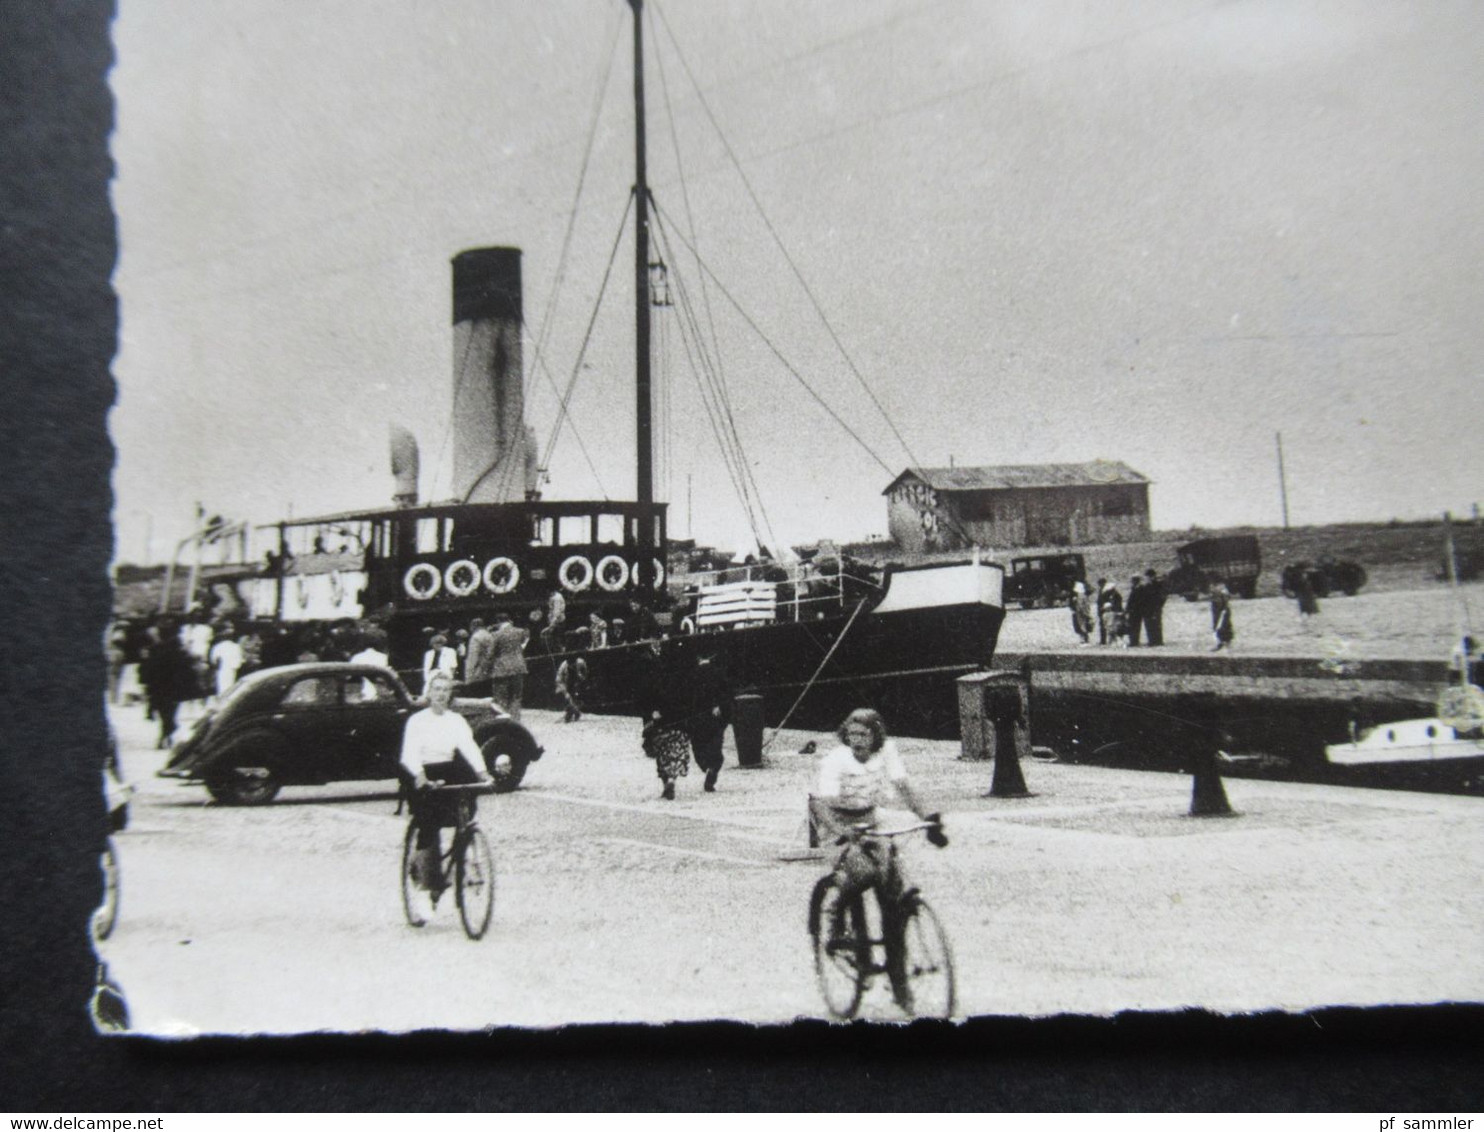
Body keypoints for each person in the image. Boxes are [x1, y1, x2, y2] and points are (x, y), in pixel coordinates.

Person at [809, 709, 943, 910]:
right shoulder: (836, 759)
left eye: (863, 734)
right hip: (837, 824)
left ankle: (894, 937)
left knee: (891, 878)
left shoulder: (886, 751)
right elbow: (819, 803)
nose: (857, 740)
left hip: (869, 817)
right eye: (852, 734)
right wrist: (841, 831)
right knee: (863, 873)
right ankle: (837, 912)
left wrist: (928, 818)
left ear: (876, 736)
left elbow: (903, 787)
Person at [398, 671, 493, 908]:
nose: (441, 694)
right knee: (428, 822)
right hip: (421, 771)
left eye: (445, 690)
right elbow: (409, 753)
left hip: (447, 770)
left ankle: (466, 845)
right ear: (429, 692)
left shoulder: (456, 720)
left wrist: (483, 773)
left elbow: (469, 748)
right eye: (437, 689)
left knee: (467, 799)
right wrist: (421, 777)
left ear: (450, 694)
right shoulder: (417, 721)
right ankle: (424, 884)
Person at [638, 640, 690, 800]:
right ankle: (673, 780)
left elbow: (645, 698)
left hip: (658, 722)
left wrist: (650, 715)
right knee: (677, 753)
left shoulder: (651, 677)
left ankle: (666, 782)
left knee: (661, 755)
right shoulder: (680, 676)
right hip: (678, 721)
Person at [140, 622, 198, 749]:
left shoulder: (155, 650)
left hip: (159, 688)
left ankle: (165, 735)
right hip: (174, 689)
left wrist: (146, 684)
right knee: (170, 713)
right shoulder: (180, 652)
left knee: (164, 713)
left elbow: (148, 669)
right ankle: (167, 733)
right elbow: (189, 671)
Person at [687, 648, 732, 793]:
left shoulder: (692, 674)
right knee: (715, 745)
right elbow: (726, 692)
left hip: (696, 717)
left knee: (698, 746)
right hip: (715, 716)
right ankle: (712, 768)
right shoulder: (718, 672)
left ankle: (706, 767)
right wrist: (720, 707)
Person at [487, 611, 529, 719]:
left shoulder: (496, 634)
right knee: (516, 697)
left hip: (501, 669)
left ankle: (504, 721)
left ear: (498, 622)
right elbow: (523, 643)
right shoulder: (520, 632)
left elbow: (490, 653)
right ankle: (515, 720)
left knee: (501, 697)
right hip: (518, 667)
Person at [207, 628, 244, 701]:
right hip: (231, 670)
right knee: (230, 687)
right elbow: (238, 663)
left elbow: (214, 661)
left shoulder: (218, 646)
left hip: (221, 670)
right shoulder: (236, 647)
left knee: (221, 688)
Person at [555, 651, 588, 722]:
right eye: (570, 663)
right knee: (567, 697)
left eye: (573, 662)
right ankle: (575, 712)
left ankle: (573, 712)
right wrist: (565, 692)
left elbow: (585, 672)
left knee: (574, 697)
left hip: (576, 682)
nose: (572, 664)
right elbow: (558, 680)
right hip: (565, 683)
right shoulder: (563, 666)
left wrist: (582, 677)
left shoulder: (581, 662)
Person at [464, 617, 495, 683]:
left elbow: (473, 657)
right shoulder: (489, 635)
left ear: (473, 626)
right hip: (489, 669)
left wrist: (468, 676)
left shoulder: (476, 637)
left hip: (477, 671)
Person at [1143, 568, 1166, 646]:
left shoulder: (1158, 585)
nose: (1147, 578)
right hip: (1148, 608)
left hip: (1155, 607)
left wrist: (1159, 605)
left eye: (1148, 576)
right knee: (1150, 624)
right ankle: (1152, 640)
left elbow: (1162, 596)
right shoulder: (1147, 586)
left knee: (1156, 624)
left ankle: (1157, 640)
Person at [1210, 583, 1235, 651]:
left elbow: (1223, 601)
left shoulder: (1220, 591)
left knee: (1220, 626)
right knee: (1223, 626)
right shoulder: (1221, 591)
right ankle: (1224, 644)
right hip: (1221, 610)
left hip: (1221, 610)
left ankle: (1222, 643)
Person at [1124, 575, 1147, 647]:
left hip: (1136, 611)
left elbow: (1134, 601)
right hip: (1134, 611)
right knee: (1134, 626)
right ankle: (1134, 640)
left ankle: (1134, 641)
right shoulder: (1136, 588)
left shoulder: (1139, 589)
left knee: (1134, 626)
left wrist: (1128, 609)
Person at [542, 588, 567, 652]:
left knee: (558, 641)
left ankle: (561, 653)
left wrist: (551, 626)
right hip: (553, 622)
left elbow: (557, 613)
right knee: (554, 641)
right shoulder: (551, 597)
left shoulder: (557, 598)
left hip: (558, 623)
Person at [1069, 581, 1093, 645]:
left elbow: (1080, 606)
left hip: (1080, 613)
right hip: (1084, 612)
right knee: (1084, 626)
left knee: (1082, 626)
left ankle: (1085, 640)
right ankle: (1085, 639)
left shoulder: (1080, 597)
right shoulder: (1084, 596)